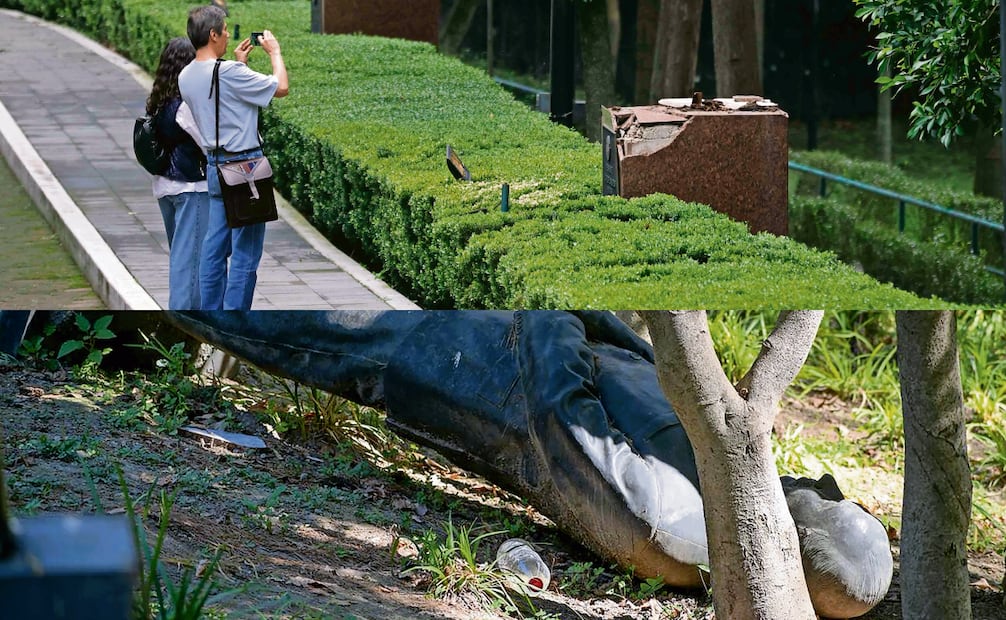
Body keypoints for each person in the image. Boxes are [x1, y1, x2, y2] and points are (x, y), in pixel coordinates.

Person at [166, 310, 893, 618]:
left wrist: (556, 316)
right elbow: (664, 376)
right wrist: (591, 319)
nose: (821, 482)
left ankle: (145, 319)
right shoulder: (740, 485)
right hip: (538, 337)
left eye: (829, 502)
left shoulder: (671, 528)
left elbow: (559, 417)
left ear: (801, 543)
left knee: (302, 328)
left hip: (483, 369)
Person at [178, 5, 289, 310]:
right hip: (246, 167)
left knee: (214, 248)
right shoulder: (228, 73)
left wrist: (240, 64)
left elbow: (220, 100)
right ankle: (236, 317)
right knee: (245, 252)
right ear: (213, 35)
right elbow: (281, 87)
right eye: (225, 30)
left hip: (215, 165)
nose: (228, 35)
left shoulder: (186, 75)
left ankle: (213, 314)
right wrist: (275, 53)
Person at [147, 37, 208, 310]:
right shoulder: (185, 106)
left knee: (183, 258)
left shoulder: (158, 101)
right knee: (190, 264)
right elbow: (209, 145)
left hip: (165, 188)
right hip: (191, 190)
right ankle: (186, 318)